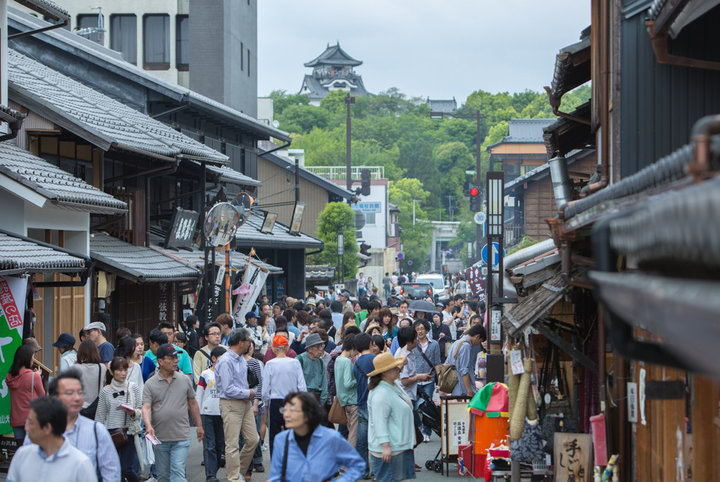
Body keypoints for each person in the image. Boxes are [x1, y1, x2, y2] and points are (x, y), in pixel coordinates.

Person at [34, 369, 121, 481]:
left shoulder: (96, 431)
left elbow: (111, 472)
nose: (77, 398)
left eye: (80, 393)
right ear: (54, 398)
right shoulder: (39, 431)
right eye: (70, 393)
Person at [269, 392, 365, 481]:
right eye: (284, 410)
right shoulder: (281, 440)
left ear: (308, 414)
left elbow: (357, 465)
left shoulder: (331, 438)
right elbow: (275, 476)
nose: (286, 415)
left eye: (292, 410)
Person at [142, 344, 203, 482]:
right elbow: (146, 407)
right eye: (171, 358)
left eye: (176, 357)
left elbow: (192, 403)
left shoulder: (183, 380)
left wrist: (199, 425)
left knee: (177, 471)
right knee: (163, 475)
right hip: (159, 437)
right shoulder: (150, 384)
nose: (176, 360)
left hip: (181, 435)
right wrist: (148, 425)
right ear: (160, 361)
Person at [8, 396, 96, 481]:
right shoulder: (22, 455)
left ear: (47, 428)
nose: (26, 428)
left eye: (31, 423)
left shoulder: (80, 464)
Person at [214, 329, 258, 482]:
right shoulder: (226, 360)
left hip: (245, 403)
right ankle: (234, 478)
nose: (249, 344)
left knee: (253, 439)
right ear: (241, 342)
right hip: (231, 404)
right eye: (248, 341)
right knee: (232, 444)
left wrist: (250, 393)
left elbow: (243, 383)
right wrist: (249, 393)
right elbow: (228, 389)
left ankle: (238, 470)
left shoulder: (240, 358)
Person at [367, 351, 416, 482]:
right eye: (394, 367)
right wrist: (385, 446)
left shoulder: (392, 384)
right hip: (391, 448)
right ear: (384, 372)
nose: (398, 369)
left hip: (398, 446)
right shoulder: (380, 394)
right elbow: (379, 422)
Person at [95, 357, 143, 482]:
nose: (123, 373)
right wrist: (97, 436)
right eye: (119, 370)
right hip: (111, 432)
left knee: (127, 468)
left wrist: (133, 412)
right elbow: (100, 415)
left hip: (129, 431)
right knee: (116, 470)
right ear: (111, 372)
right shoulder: (105, 391)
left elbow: (140, 411)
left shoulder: (133, 388)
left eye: (125, 370)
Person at [262, 334, 307, 456]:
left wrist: (266, 404)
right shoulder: (295, 363)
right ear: (287, 348)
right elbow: (302, 387)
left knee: (274, 435)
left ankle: (276, 464)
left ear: (273, 348)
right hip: (292, 402)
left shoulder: (270, 364)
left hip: (275, 401)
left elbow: (265, 390)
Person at [196, 346, 227, 482]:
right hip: (207, 412)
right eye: (220, 358)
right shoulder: (206, 374)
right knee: (210, 445)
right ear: (213, 359)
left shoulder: (227, 374)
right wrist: (198, 415)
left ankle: (213, 471)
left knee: (220, 444)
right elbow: (199, 395)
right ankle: (211, 475)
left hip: (222, 413)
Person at [7, 345, 45, 439]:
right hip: (31, 419)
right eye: (32, 357)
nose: (33, 359)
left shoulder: (10, 376)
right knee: (32, 449)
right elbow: (42, 396)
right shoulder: (33, 377)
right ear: (27, 359)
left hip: (16, 418)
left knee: (21, 449)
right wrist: (37, 376)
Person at [413, 320, 441, 442]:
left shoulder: (434, 344)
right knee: (414, 406)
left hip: (429, 380)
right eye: (418, 329)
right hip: (415, 379)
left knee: (426, 407)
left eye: (422, 328)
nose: (420, 331)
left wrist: (439, 380)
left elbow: (437, 362)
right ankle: (419, 426)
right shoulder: (413, 344)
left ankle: (426, 432)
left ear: (426, 330)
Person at [353, 333, 376, 479]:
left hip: (361, 404)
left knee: (361, 442)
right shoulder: (376, 359)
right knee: (376, 441)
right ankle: (376, 471)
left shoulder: (355, 363)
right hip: (374, 405)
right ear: (370, 344)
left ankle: (364, 470)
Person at [242, 341, 265, 473]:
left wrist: (256, 402)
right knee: (244, 436)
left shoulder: (255, 363)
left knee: (254, 433)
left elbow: (259, 383)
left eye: (251, 346)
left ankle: (257, 460)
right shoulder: (234, 362)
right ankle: (246, 465)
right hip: (240, 400)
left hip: (253, 401)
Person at [444, 324, 487, 396]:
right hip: (462, 389)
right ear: (477, 337)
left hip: (454, 387)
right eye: (480, 341)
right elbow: (464, 371)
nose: (478, 344)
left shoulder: (456, 343)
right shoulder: (466, 346)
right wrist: (469, 391)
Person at [334, 334, 358, 447]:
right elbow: (348, 383)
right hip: (352, 400)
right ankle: (348, 461)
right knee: (353, 434)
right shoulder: (347, 362)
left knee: (350, 431)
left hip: (343, 400)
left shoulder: (338, 359)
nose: (357, 353)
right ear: (353, 347)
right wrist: (358, 380)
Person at [74, 340, 107, 414]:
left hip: (81, 407)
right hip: (98, 407)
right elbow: (104, 383)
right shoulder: (102, 367)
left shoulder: (76, 368)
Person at [296, 333, 328, 406]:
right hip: (303, 397)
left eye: (322, 347)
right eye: (318, 348)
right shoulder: (299, 360)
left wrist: (322, 401)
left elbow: (324, 383)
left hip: (317, 398)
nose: (320, 351)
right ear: (310, 348)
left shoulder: (320, 361)